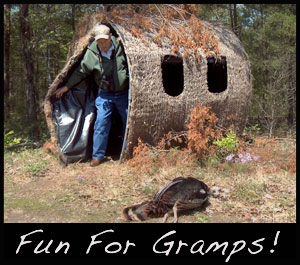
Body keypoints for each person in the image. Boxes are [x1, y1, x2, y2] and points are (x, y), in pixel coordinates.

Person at [53, 24, 129, 167]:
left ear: (110, 38)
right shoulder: (92, 53)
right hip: (105, 94)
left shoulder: (122, 48)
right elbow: (81, 71)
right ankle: (98, 156)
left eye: (105, 41)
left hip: (123, 93)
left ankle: (127, 152)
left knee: (128, 121)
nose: (103, 44)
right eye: (99, 41)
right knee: (101, 122)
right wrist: (66, 86)